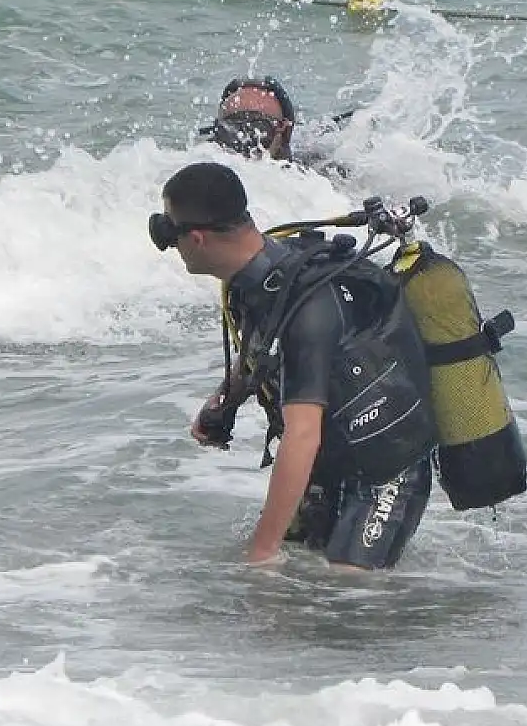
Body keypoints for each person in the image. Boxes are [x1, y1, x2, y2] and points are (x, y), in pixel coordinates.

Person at [149, 161, 436, 568]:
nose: (169, 245)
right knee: (298, 587)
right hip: (332, 456)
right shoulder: (254, 277)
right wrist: (223, 403)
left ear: (196, 238)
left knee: (346, 593)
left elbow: (302, 437)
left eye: (169, 233)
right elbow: (264, 350)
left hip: (386, 466)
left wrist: (261, 554)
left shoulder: (307, 308)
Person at [198, 76, 355, 167]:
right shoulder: (197, 164)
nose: (244, 139)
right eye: (230, 128)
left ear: (283, 131)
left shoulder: (320, 179)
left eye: (258, 127)